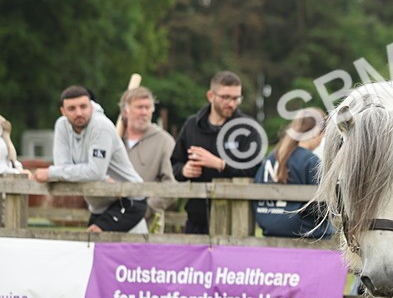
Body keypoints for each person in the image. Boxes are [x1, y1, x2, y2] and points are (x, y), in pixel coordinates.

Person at [33, 86, 148, 233]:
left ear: (91, 106)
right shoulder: (61, 125)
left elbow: (94, 172)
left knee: (94, 240)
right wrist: (101, 178)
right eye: (72, 108)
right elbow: (63, 167)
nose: (79, 113)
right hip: (100, 204)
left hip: (128, 199)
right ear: (63, 111)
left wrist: (51, 173)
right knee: (92, 249)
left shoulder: (101, 126)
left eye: (83, 106)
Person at [171, 71, 263, 234]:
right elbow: (175, 164)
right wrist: (184, 170)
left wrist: (220, 165)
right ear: (210, 96)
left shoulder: (248, 128)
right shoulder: (192, 125)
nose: (231, 104)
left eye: (236, 98)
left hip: (236, 219)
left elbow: (255, 171)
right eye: (225, 97)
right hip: (197, 217)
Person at [254, 109, 333, 239]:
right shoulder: (311, 161)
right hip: (301, 231)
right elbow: (323, 206)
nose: (320, 142)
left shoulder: (271, 158)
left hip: (268, 225)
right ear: (315, 133)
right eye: (321, 136)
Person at [116, 86, 176, 228]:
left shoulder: (164, 142)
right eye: (139, 107)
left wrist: (144, 209)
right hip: (110, 219)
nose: (144, 112)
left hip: (147, 223)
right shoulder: (114, 140)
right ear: (125, 111)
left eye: (148, 107)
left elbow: (172, 185)